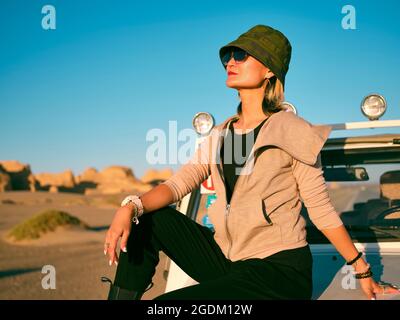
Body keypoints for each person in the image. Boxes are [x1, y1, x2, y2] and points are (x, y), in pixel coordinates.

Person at [102, 25, 400, 300]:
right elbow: (180, 182)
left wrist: (361, 268)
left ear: (270, 69)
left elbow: (320, 209)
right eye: (228, 57)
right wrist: (130, 206)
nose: (230, 62)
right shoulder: (220, 135)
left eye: (241, 56)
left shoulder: (292, 131)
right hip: (230, 261)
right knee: (148, 217)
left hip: (279, 272)